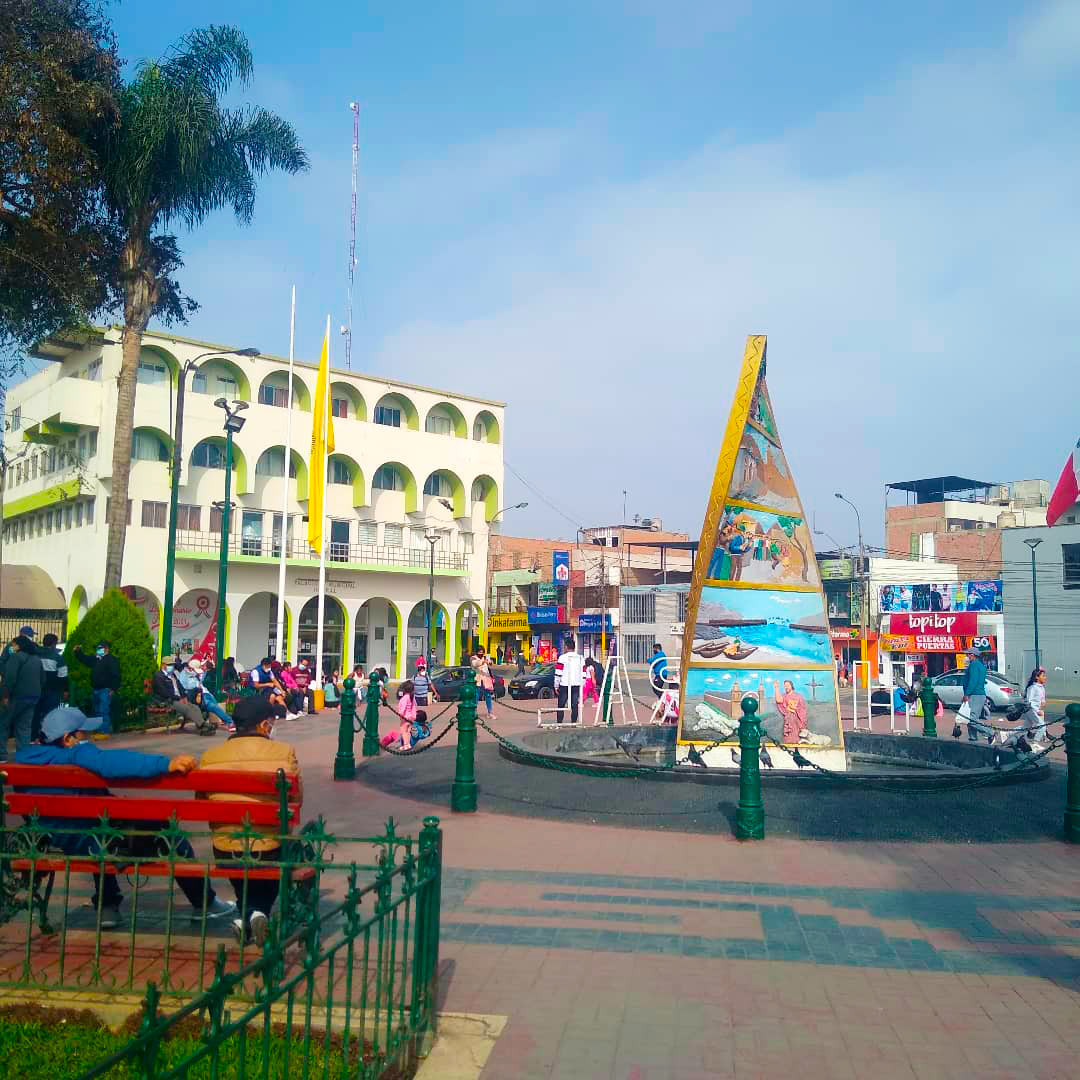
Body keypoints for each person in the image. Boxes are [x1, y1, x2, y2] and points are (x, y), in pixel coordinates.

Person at [16, 706, 235, 928]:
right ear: (67, 739)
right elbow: (111, 762)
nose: (89, 738)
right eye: (84, 735)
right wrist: (165, 764)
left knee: (99, 828)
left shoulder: (23, 759)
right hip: (96, 842)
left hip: (54, 840)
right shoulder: (75, 754)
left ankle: (107, 907)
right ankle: (204, 902)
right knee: (168, 834)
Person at [199, 695, 301, 946]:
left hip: (226, 847)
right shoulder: (284, 752)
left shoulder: (210, 756)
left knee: (237, 853)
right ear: (264, 725)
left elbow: (202, 803)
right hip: (269, 846)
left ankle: (246, 915)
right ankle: (257, 914)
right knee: (280, 847)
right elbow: (296, 800)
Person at [1, 635, 45, 760]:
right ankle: (23, 756)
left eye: (13, 644)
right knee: (24, 727)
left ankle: (2, 755)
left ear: (19, 646)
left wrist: (4, 696)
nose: (11, 647)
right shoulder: (36, 659)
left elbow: (9, 679)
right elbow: (43, 679)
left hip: (16, 697)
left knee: (3, 724)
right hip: (33, 697)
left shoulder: (15, 657)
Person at [73, 640, 121, 734]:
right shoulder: (96, 659)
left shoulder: (112, 660)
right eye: (98, 648)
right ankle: (99, 730)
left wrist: (113, 689)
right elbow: (85, 659)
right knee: (97, 711)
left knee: (103, 711)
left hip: (106, 689)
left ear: (106, 649)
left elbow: (116, 675)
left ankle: (104, 732)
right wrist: (78, 652)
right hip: (96, 689)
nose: (98, 650)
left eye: (100, 648)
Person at [152, 659, 207, 731]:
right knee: (186, 708)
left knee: (195, 707)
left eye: (172, 665)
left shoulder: (172, 675)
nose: (171, 666)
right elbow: (164, 692)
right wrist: (178, 698)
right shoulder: (158, 676)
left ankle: (200, 725)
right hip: (167, 700)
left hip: (178, 698)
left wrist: (184, 697)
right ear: (163, 665)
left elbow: (180, 687)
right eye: (169, 665)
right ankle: (202, 725)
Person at [177, 659, 233, 729]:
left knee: (214, 705)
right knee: (212, 706)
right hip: (197, 695)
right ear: (191, 668)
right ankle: (229, 722)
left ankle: (206, 722)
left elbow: (202, 681)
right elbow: (185, 687)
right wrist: (196, 685)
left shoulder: (196, 674)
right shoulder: (184, 675)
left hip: (205, 693)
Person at [35, 632, 69, 729]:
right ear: (54, 644)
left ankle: (35, 736)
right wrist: (65, 690)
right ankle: (46, 735)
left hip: (36, 688)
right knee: (50, 714)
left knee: (35, 713)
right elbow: (63, 676)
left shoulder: (36, 654)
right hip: (52, 690)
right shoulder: (58, 658)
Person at [961, 647, 992, 744]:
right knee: (970, 718)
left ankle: (990, 732)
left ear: (973, 655)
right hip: (978, 694)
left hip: (975, 694)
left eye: (968, 654)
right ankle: (972, 739)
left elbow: (973, 681)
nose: (967, 656)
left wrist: (967, 694)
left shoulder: (974, 665)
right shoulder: (980, 665)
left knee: (971, 719)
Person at [554, 637, 584, 725]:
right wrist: (582, 684)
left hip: (564, 684)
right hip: (576, 684)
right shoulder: (580, 658)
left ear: (566, 647)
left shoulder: (562, 658)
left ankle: (559, 723)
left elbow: (558, 673)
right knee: (575, 704)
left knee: (561, 705)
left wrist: (556, 685)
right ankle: (574, 722)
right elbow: (584, 673)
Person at [383, 680, 418, 749]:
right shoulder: (412, 697)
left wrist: (400, 714)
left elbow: (403, 708)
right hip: (411, 717)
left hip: (404, 718)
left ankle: (405, 745)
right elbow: (414, 706)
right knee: (408, 732)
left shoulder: (405, 697)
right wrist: (414, 716)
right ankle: (408, 745)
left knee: (403, 732)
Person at [1021, 667, 1048, 750]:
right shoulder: (1032, 687)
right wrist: (1037, 711)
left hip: (1035, 710)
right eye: (1043, 676)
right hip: (1031, 710)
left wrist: (1042, 702)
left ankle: (1007, 734)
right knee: (1042, 726)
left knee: (1025, 727)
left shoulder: (1041, 687)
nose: (1045, 677)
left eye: (1045, 676)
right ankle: (1034, 743)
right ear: (1037, 677)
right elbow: (1028, 702)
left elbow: (1041, 699)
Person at [772, 678, 807, 743]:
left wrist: (795, 710)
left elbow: (802, 709)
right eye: (785, 686)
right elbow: (778, 700)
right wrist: (776, 688)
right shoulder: (784, 696)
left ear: (792, 686)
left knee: (797, 736)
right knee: (788, 736)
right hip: (788, 719)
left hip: (797, 720)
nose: (786, 687)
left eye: (788, 685)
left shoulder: (798, 696)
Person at [471, 649, 496, 718]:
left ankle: (490, 712)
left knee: (488, 696)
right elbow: (475, 664)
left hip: (486, 680)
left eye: (482, 652)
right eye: (479, 652)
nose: (481, 653)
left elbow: (490, 665)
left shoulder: (485, 658)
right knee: (476, 696)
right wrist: (483, 662)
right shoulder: (473, 658)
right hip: (478, 680)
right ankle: (474, 712)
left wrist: (490, 662)